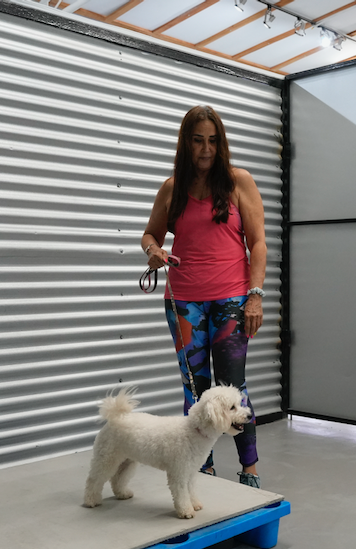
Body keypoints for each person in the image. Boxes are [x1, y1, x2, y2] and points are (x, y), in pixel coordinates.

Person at [141, 105, 267, 488]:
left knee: (234, 387)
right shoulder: (172, 188)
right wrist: (153, 251)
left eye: (213, 141)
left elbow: (258, 243)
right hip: (183, 302)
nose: (206, 149)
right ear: (186, 143)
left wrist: (255, 296)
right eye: (198, 141)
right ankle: (203, 469)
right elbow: (150, 234)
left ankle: (249, 470)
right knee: (195, 389)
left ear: (221, 143)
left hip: (232, 301)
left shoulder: (239, 182)